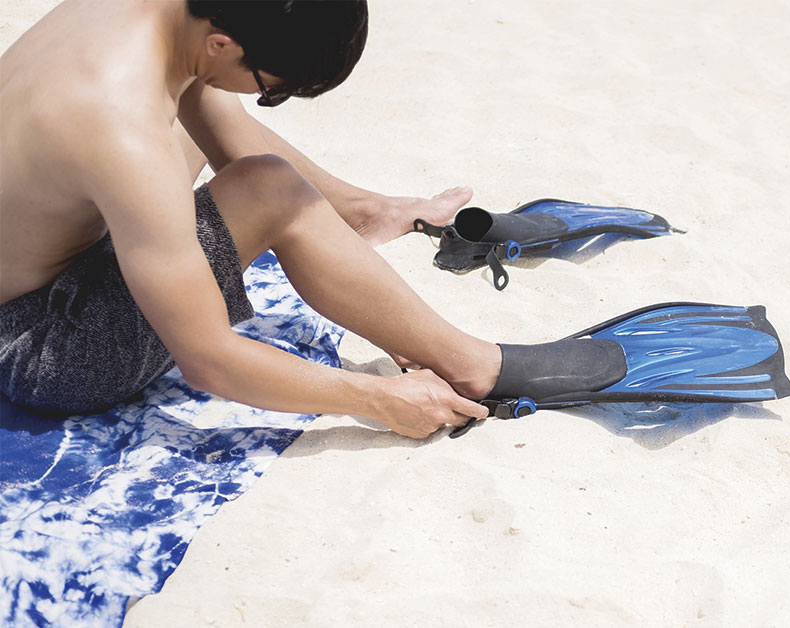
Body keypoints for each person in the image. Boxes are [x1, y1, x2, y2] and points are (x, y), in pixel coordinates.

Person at [0, 0, 502, 438]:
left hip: (42, 255)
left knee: (203, 93)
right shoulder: (121, 123)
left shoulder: (161, 23)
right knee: (267, 189)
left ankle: (361, 215)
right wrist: (380, 398)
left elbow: (207, 97)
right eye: (272, 90)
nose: (265, 99)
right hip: (38, 342)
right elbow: (208, 358)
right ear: (222, 41)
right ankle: (470, 365)